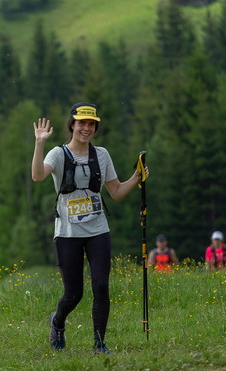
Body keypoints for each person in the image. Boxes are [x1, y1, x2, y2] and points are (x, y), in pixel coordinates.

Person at [31, 102, 149, 354]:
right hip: (68, 233)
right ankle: (57, 322)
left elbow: (116, 192)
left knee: (101, 287)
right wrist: (39, 143)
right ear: (72, 125)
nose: (86, 128)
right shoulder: (58, 154)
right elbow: (38, 176)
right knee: (74, 294)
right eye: (81, 123)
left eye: (91, 124)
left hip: (98, 230)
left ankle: (99, 344)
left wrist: (136, 178)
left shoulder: (102, 155)